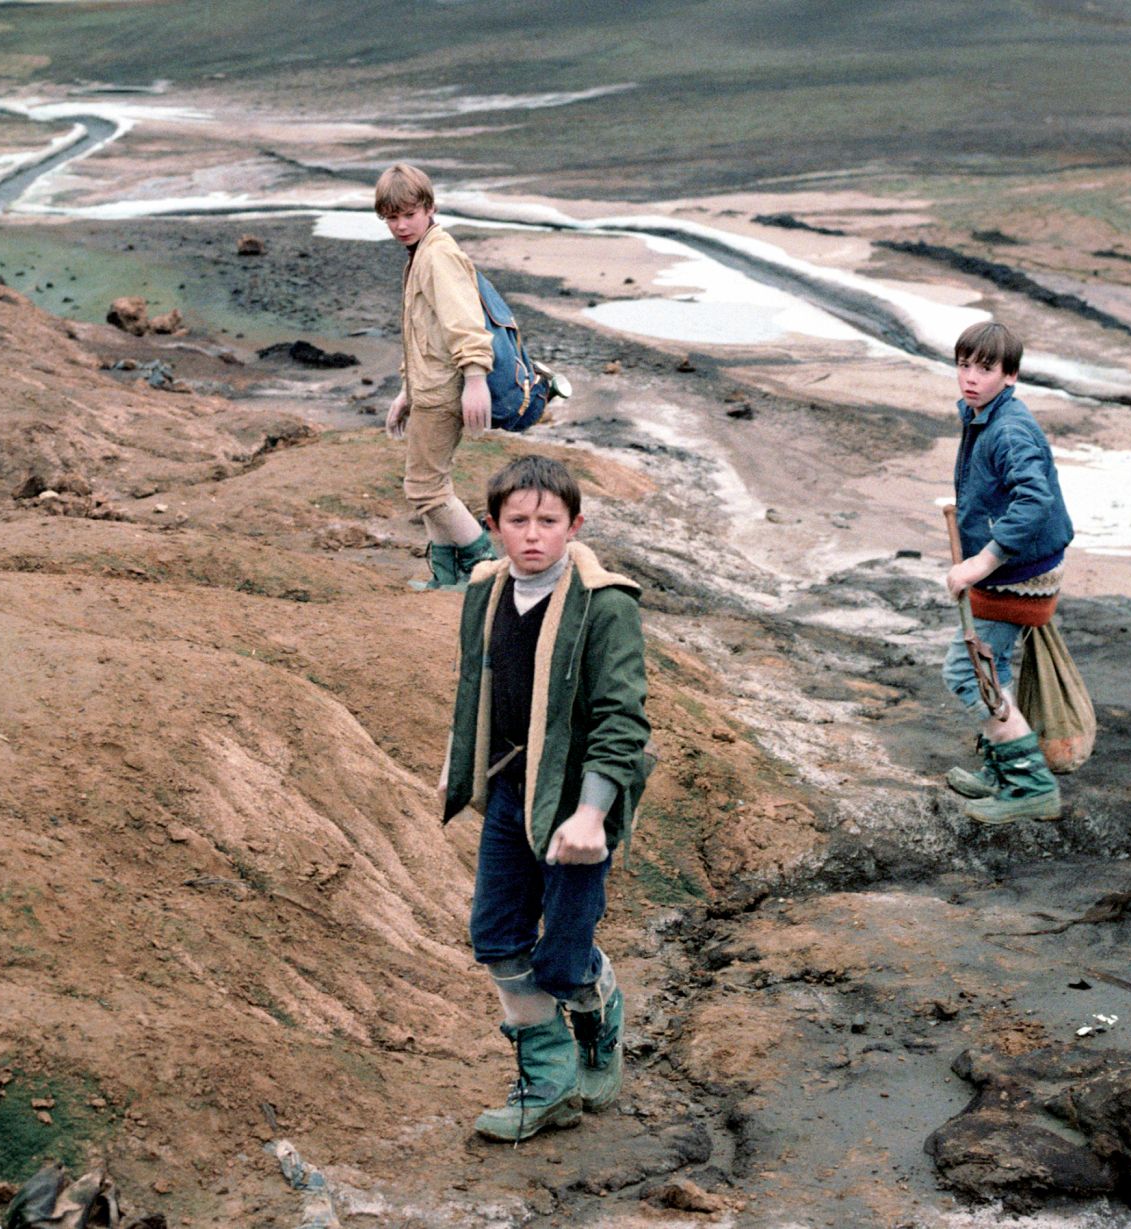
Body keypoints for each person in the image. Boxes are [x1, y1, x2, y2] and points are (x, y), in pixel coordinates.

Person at [440, 455, 652, 1142]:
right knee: (497, 937)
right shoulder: (485, 589)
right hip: (510, 790)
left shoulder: (606, 604)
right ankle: (548, 1083)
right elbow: (475, 685)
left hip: (574, 800)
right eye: (518, 521)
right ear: (494, 524)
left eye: (548, 521)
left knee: (561, 962)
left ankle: (600, 1014)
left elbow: (622, 720)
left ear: (575, 525)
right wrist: (459, 768)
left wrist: (592, 813)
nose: (533, 535)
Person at [941, 321, 1074, 824]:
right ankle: (1002, 772)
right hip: (1016, 564)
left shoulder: (1009, 429)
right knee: (989, 668)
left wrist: (983, 560)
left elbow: (1035, 500)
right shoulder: (984, 415)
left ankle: (1030, 786)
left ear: (1010, 375)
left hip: (1019, 573)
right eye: (964, 365)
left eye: (985, 369)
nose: (971, 378)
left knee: (967, 672)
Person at [376, 162, 501, 590]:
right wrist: (406, 391)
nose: (400, 226)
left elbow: (464, 324)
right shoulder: (422, 253)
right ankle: (446, 577)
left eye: (409, 215)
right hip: (428, 389)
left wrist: (476, 380)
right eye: (391, 218)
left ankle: (484, 567)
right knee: (430, 485)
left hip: (444, 392)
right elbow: (423, 334)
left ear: (430, 208)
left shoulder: (438, 255)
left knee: (425, 489)